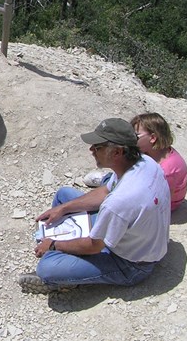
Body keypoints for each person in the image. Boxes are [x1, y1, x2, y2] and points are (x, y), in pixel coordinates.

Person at [18, 118, 171, 294]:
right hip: (134, 236)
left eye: (98, 147)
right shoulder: (144, 161)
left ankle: (60, 276)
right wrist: (63, 209)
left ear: (118, 152)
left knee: (46, 269)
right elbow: (105, 192)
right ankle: (67, 257)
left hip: (131, 264)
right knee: (64, 196)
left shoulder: (119, 202)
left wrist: (54, 245)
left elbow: (95, 246)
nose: (91, 150)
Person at [131, 112, 187, 211]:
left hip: (165, 204)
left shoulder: (167, 170)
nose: (130, 139)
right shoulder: (156, 152)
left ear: (153, 138)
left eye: (136, 136)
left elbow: (160, 201)